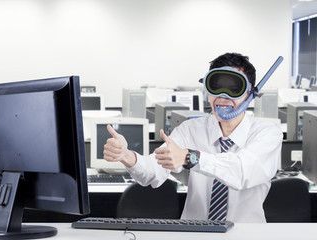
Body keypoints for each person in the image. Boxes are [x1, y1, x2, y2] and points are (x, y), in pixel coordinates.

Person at [103, 52, 283, 223]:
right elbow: (153, 172)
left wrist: (191, 157)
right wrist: (127, 156)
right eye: (216, 87)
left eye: (234, 89)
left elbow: (242, 172)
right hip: (196, 233)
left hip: (247, 236)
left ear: (251, 93)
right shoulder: (191, 129)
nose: (223, 97)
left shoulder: (267, 134)